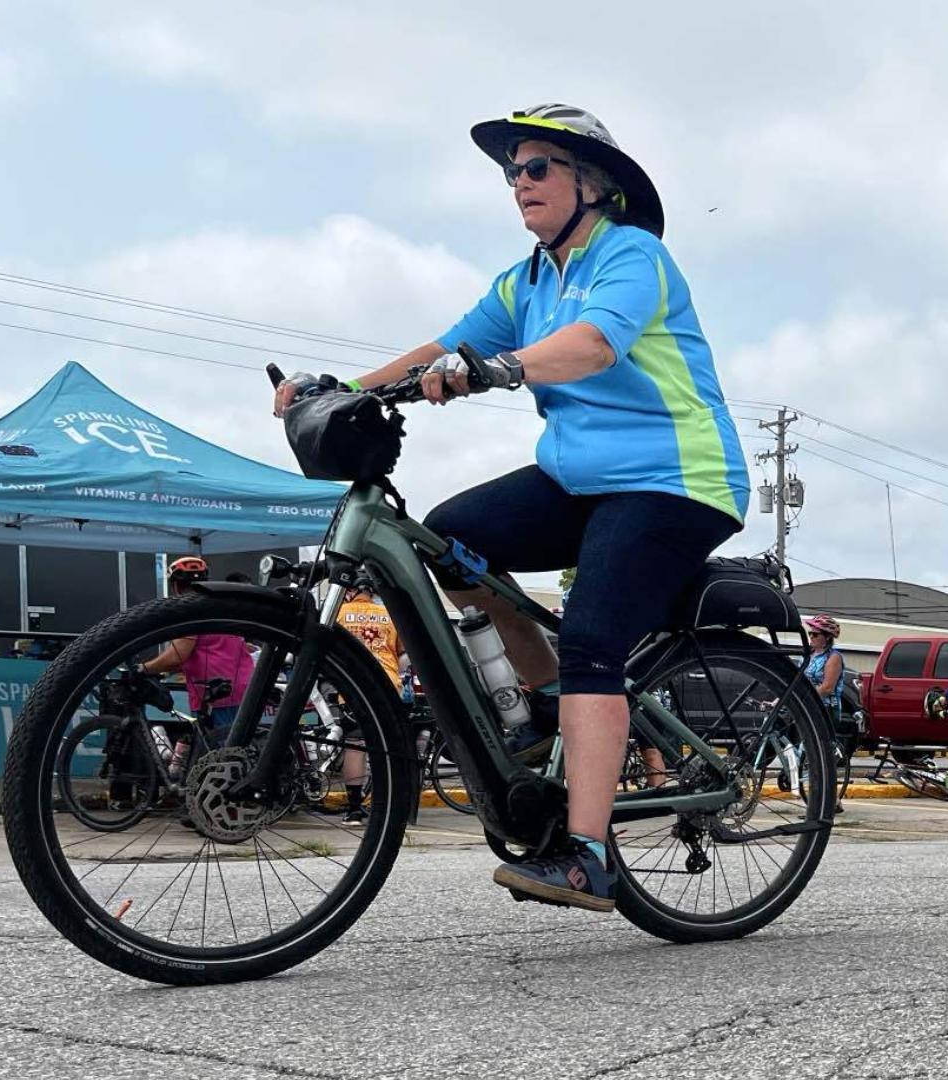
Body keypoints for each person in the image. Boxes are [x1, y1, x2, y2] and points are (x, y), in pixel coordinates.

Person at [273, 103, 748, 911]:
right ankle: (545, 702)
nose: (518, 183)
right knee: (449, 536)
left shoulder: (632, 257)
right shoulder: (524, 280)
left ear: (590, 183)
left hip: (674, 478)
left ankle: (589, 855)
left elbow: (595, 344)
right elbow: (441, 345)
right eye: (511, 172)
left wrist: (501, 369)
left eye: (536, 168)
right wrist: (339, 388)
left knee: (594, 638)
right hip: (579, 479)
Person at [140, 557, 257, 766]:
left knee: (223, 760)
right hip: (241, 687)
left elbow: (178, 655)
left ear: (175, 586)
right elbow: (198, 652)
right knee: (235, 753)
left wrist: (143, 668)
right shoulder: (218, 606)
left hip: (218, 694)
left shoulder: (190, 611)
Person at [336, 575, 404, 825]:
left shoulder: (339, 613)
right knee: (387, 748)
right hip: (387, 686)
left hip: (353, 686)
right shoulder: (388, 615)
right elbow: (403, 655)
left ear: (351, 590)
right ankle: (387, 807)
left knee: (355, 745)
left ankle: (354, 808)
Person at [803, 615, 848, 733]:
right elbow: (796, 681)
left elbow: (827, 688)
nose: (811, 637)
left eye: (815, 634)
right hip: (807, 705)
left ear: (827, 637)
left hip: (826, 708)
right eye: (810, 633)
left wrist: (801, 698)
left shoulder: (833, 657)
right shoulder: (808, 656)